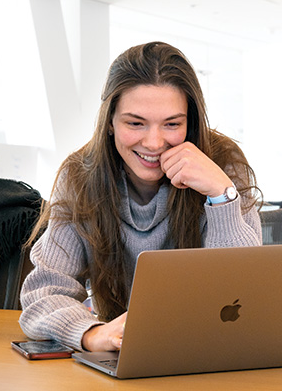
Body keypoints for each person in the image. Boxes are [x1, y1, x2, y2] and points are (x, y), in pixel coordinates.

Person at [19, 41, 262, 353]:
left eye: (172, 124)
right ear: (109, 121)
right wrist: (90, 334)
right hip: (122, 352)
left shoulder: (223, 164)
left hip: (212, 350)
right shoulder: (80, 176)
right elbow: (44, 291)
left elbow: (242, 293)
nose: (154, 142)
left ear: (190, 123)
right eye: (135, 123)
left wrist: (221, 195)